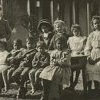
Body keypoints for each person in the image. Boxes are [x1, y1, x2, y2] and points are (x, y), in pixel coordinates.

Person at [67, 24, 87, 89]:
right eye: (74, 31)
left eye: (77, 31)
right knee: (70, 68)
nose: (76, 32)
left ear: (80, 31)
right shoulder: (70, 39)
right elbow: (68, 48)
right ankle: (71, 84)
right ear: (72, 32)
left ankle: (75, 81)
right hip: (72, 55)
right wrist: (68, 51)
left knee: (78, 66)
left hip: (80, 55)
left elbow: (85, 48)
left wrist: (81, 51)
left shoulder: (83, 38)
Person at [84, 16, 100, 92]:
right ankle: (89, 89)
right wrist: (89, 57)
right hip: (93, 54)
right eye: (95, 23)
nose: (97, 24)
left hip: (99, 56)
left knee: (98, 66)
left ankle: (97, 88)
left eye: (99, 23)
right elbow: (87, 47)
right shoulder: (91, 35)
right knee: (88, 67)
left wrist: (97, 59)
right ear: (93, 25)